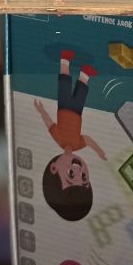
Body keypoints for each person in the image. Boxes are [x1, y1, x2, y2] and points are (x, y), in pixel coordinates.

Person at [35, 50, 106, 223]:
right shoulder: (77, 144)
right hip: (77, 112)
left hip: (64, 107)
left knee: (65, 85)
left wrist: (42, 110)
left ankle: (65, 60)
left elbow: (49, 124)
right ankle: (84, 74)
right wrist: (99, 152)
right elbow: (88, 140)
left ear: (54, 168)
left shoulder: (60, 140)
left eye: (71, 175)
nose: (79, 171)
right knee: (81, 94)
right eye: (84, 178)